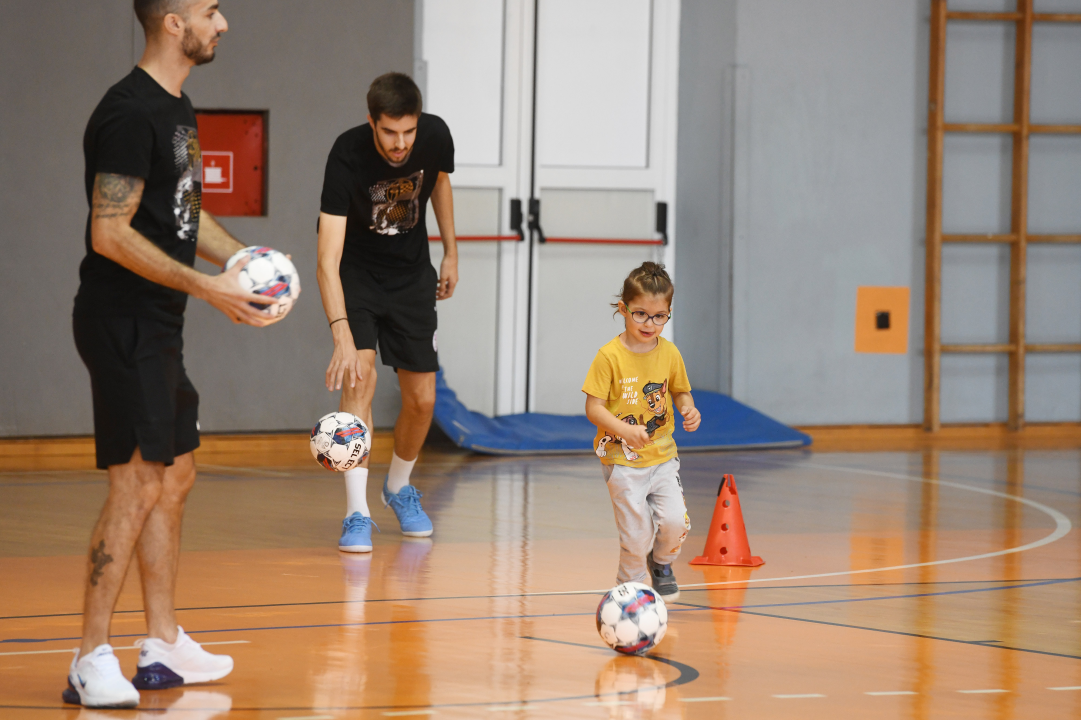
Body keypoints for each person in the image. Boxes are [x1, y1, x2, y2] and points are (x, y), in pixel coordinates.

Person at [66, 0, 279, 708]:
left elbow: (183, 215)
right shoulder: (129, 113)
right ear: (172, 22)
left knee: (176, 473)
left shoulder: (177, 108)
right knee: (137, 482)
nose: (223, 23)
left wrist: (241, 260)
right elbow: (110, 232)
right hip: (123, 322)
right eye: (210, 10)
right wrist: (209, 288)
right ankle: (89, 657)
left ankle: (161, 646)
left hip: (160, 322)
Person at [316, 72, 457, 553]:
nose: (401, 144)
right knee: (361, 378)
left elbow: (439, 183)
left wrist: (452, 252)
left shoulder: (434, 135)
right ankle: (356, 511)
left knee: (422, 400)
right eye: (390, 132)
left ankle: (398, 486)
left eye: (408, 132)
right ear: (372, 121)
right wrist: (341, 334)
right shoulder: (347, 153)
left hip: (411, 276)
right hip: (357, 275)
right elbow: (326, 259)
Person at [582, 262, 701, 601]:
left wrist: (688, 408)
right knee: (635, 536)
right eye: (640, 315)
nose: (650, 324)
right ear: (623, 309)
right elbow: (593, 408)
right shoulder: (608, 357)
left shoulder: (670, 353)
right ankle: (630, 590)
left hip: (663, 457)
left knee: (676, 523)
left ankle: (661, 563)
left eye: (659, 316)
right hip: (622, 461)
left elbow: (680, 391)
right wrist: (624, 430)